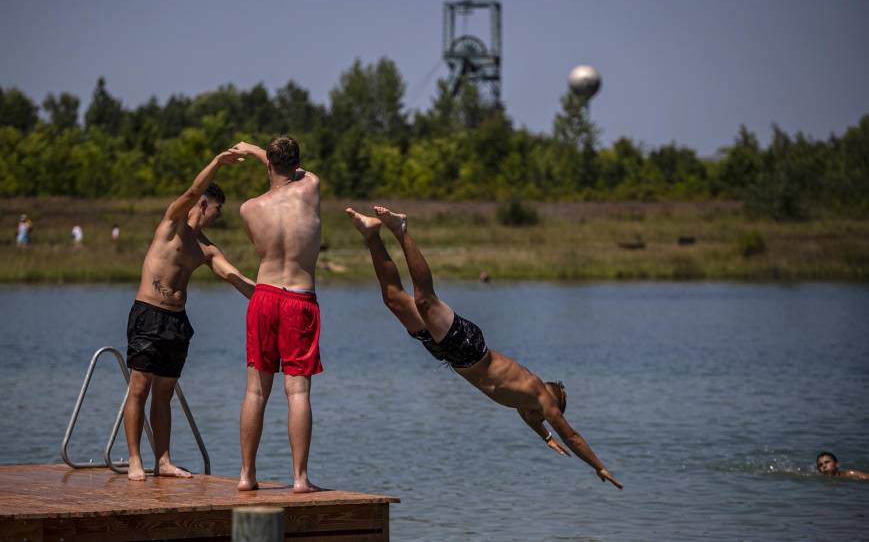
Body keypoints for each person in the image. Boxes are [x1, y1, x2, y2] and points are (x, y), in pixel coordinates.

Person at [346, 205, 623, 489]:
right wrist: (598, 467)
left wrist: (545, 438)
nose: (543, 420)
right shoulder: (540, 397)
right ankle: (401, 229)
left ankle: (371, 235)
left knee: (393, 299)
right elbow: (573, 437)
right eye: (549, 419)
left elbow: (532, 420)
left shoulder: (525, 403)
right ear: (550, 407)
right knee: (425, 300)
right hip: (469, 347)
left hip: (449, 355)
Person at [124, 149, 256, 481]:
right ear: (203, 206)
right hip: (148, 314)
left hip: (176, 323)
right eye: (216, 211)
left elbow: (234, 277)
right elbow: (191, 192)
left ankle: (163, 460)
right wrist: (216, 163)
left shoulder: (206, 248)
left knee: (164, 393)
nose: (217, 217)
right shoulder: (172, 224)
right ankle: (135, 460)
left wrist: (274, 295)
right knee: (139, 387)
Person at [228, 138, 323, 493]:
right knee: (297, 391)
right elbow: (300, 174)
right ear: (297, 163)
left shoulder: (249, 209)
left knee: (255, 391)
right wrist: (256, 151)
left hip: (264, 296)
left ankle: (246, 475)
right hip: (299, 297)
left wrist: (254, 152)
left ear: (268, 164)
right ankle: (299, 479)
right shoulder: (310, 187)